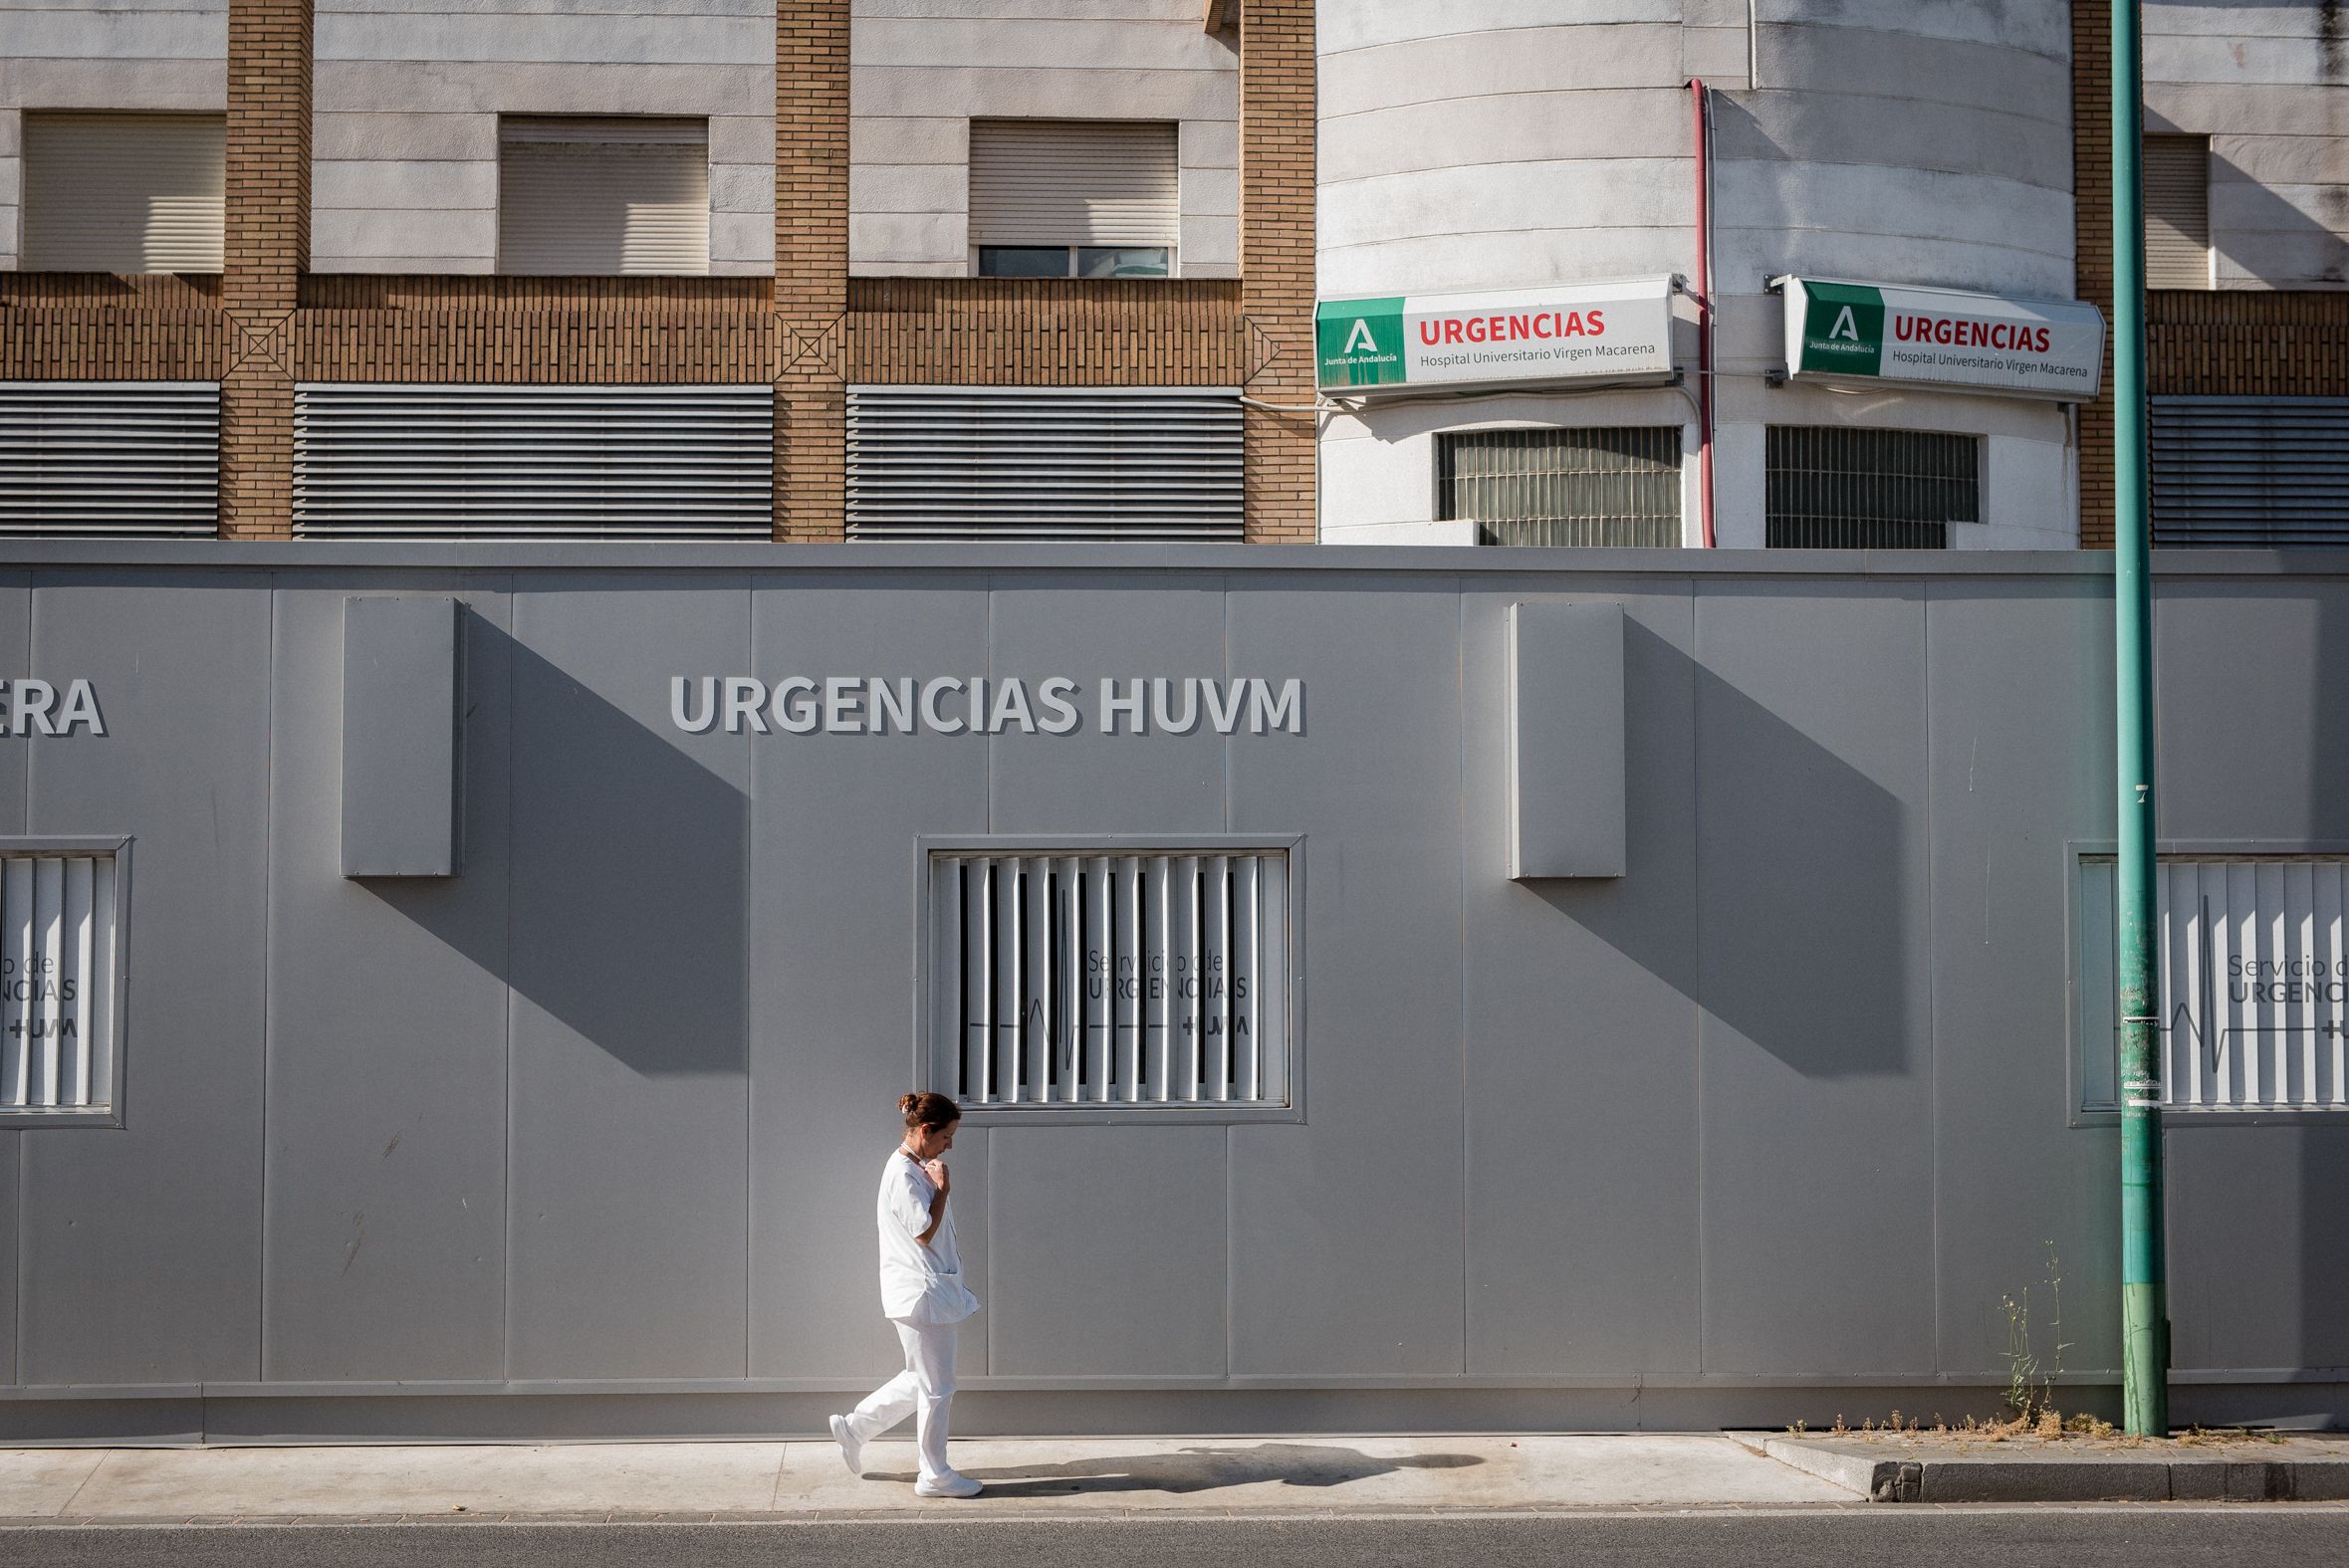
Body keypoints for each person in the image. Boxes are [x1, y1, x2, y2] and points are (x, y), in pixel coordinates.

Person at [829, 1091, 984, 1498]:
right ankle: (935, 1474)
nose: (950, 1144)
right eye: (947, 1136)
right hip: (922, 1295)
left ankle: (856, 1427)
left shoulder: (911, 1168)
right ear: (926, 1130)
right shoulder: (904, 1173)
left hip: (921, 1292)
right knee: (938, 1387)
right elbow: (923, 1232)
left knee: (921, 1380)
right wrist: (943, 1189)